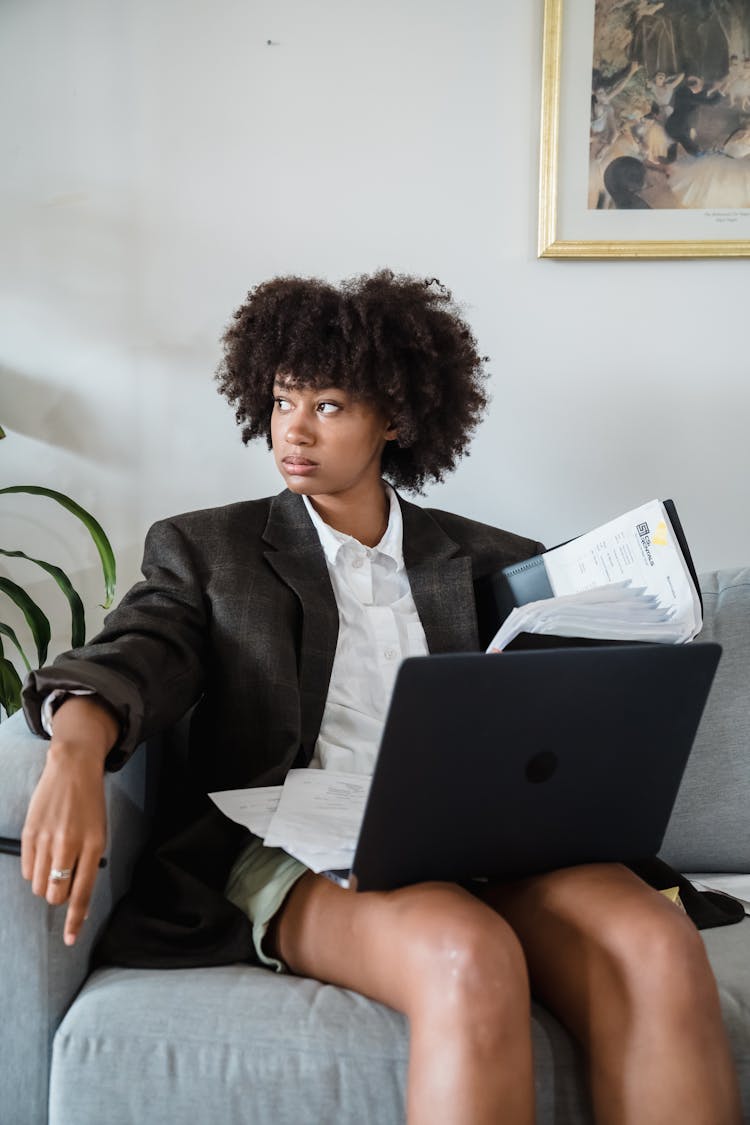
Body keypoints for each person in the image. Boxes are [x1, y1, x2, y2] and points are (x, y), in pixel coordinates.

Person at [20, 272, 742, 1124]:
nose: (293, 426)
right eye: (284, 398)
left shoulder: (495, 563)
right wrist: (74, 744)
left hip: (494, 837)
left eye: (328, 404)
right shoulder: (208, 550)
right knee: (465, 954)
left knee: (658, 946)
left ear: (393, 418)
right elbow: (137, 650)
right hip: (305, 842)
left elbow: (564, 717)